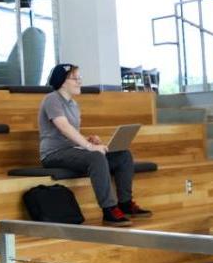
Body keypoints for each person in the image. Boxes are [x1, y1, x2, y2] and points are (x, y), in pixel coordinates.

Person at [37, 63, 152, 226]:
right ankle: (109, 209)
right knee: (96, 157)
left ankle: (125, 203)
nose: (79, 81)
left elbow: (71, 132)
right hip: (53, 154)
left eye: (79, 78)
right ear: (62, 82)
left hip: (72, 151)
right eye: (74, 78)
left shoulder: (73, 105)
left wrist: (88, 140)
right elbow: (63, 127)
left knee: (123, 156)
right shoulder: (52, 99)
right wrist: (89, 147)